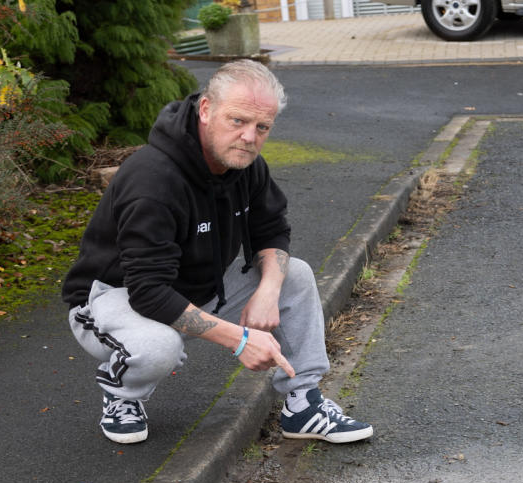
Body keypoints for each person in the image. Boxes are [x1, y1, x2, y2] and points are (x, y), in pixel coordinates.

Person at [61, 60, 372, 445]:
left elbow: (272, 230)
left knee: (294, 275)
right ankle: (121, 393)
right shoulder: (153, 180)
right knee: (157, 347)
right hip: (114, 299)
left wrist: (268, 292)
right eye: (237, 121)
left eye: (262, 127)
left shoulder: (245, 165)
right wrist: (240, 339)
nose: (249, 137)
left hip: (197, 290)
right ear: (205, 110)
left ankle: (303, 406)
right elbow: (148, 292)